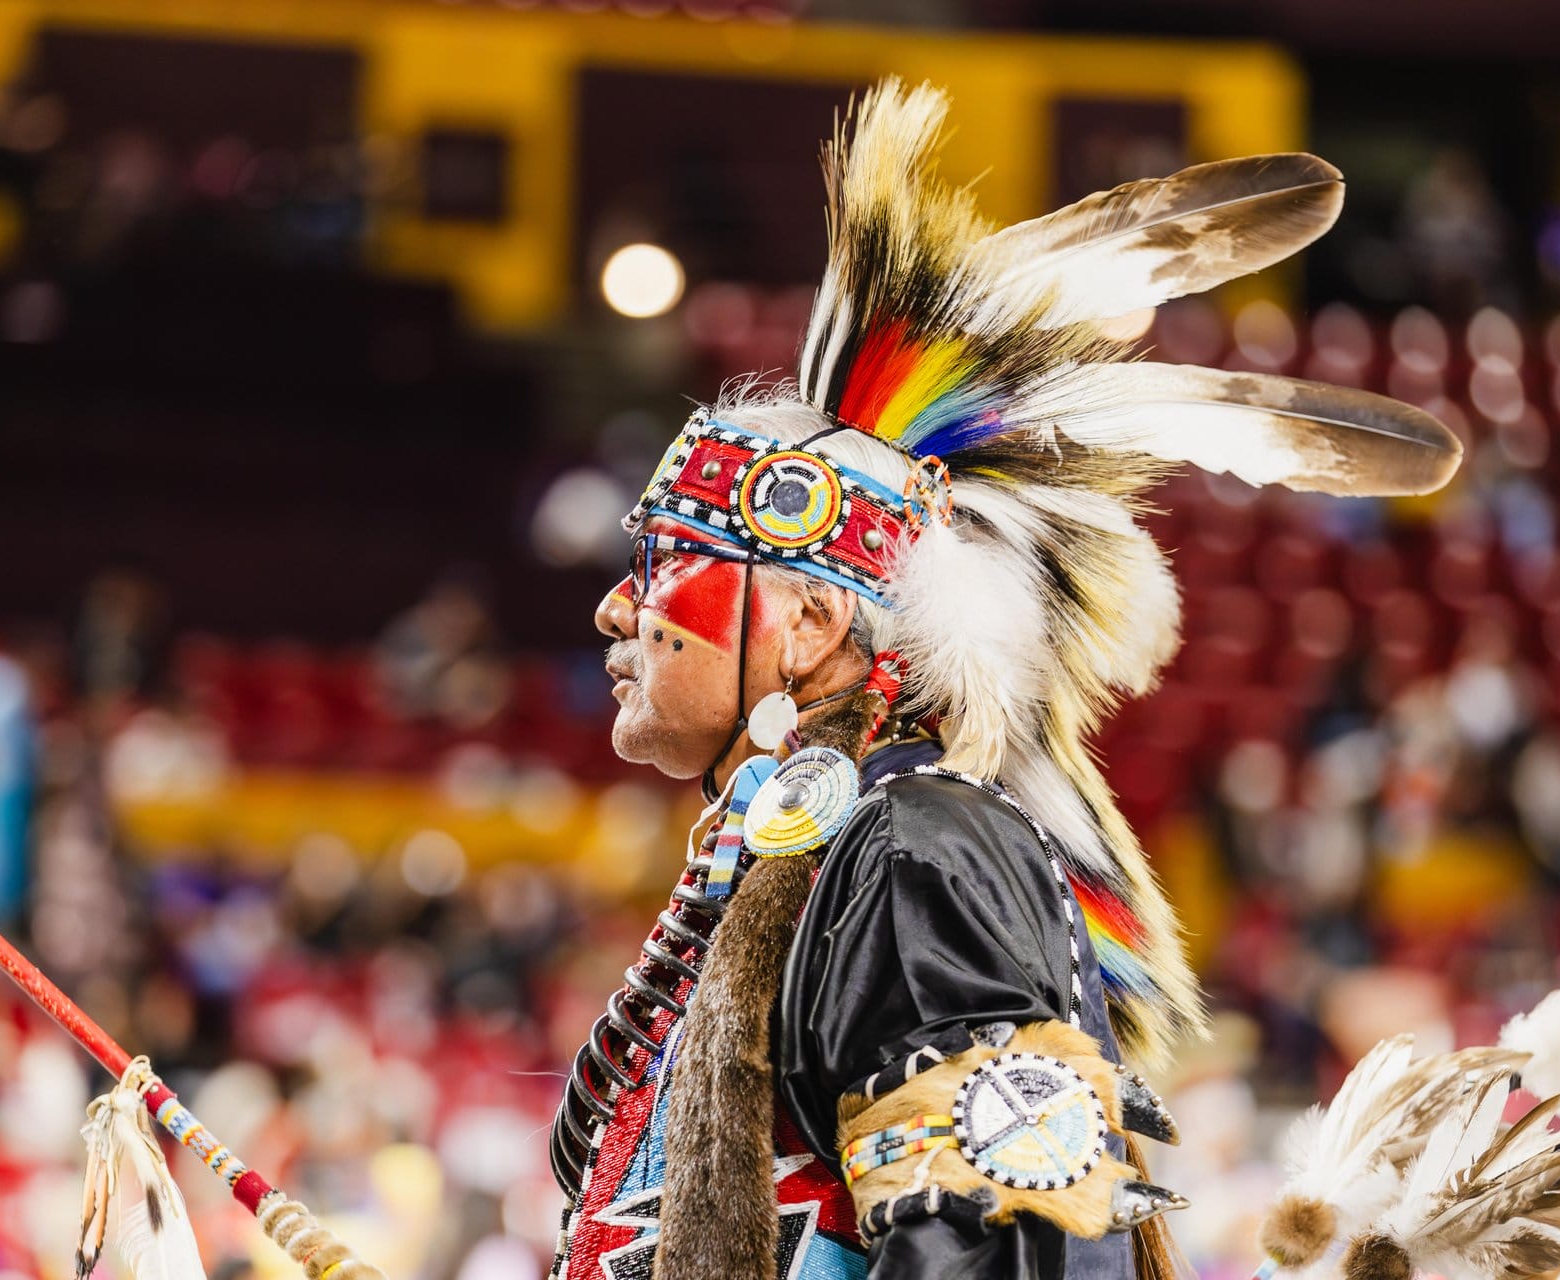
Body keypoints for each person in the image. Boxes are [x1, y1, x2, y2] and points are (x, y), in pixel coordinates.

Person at [548, 80, 1460, 1280]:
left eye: (666, 563)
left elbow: (991, 1244)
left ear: (814, 620)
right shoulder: (837, 847)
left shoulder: (918, 849)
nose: (621, 604)